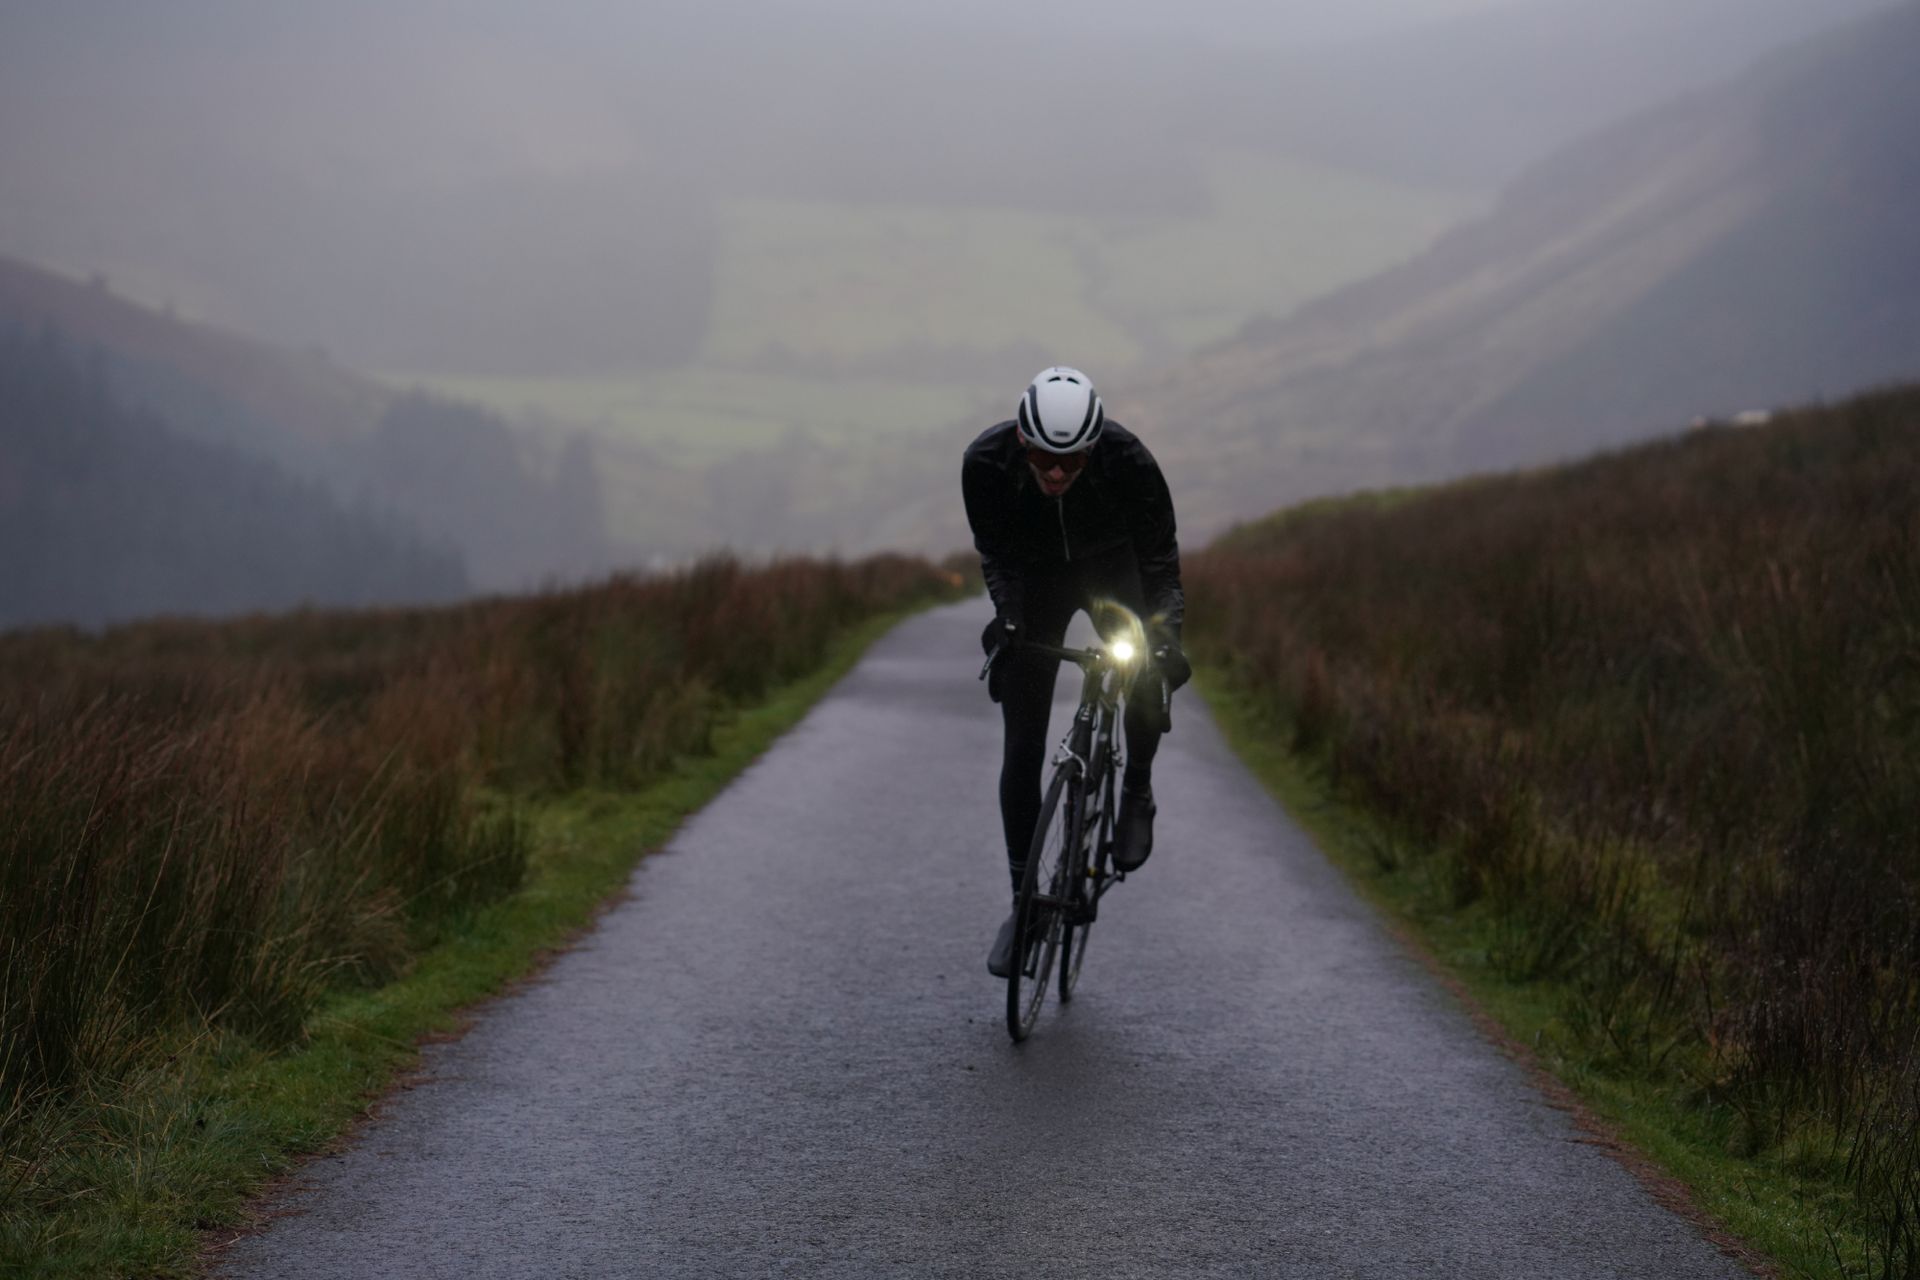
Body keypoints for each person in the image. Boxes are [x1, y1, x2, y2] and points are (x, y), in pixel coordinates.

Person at [962, 366, 1190, 978]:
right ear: (1020, 439)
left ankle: (1136, 786)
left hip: (1113, 574)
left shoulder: (1130, 461)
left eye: (1073, 461)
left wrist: (1165, 639)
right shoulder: (985, 464)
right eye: (1043, 457)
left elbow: (1161, 561)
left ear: (1094, 448)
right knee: (1023, 743)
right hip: (1038, 582)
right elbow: (998, 555)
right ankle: (1024, 907)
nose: (1057, 473)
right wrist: (1007, 619)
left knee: (1145, 672)